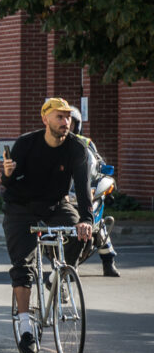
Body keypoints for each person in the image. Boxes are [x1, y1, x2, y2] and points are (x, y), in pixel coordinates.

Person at [2, 97, 93, 353]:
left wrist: (86, 219)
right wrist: (7, 173)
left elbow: (83, 187)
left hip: (55, 204)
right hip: (21, 206)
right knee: (23, 266)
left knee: (84, 233)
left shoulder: (77, 148)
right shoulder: (26, 144)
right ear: (45, 119)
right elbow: (8, 182)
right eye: (59, 117)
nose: (65, 122)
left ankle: (59, 274)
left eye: (68, 118)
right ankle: (26, 326)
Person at [69, 106, 119, 277]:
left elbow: (97, 163)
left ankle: (108, 261)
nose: (68, 126)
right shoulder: (54, 142)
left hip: (83, 188)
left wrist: (102, 177)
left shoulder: (86, 142)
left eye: (72, 123)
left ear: (77, 125)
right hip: (64, 190)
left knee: (98, 225)